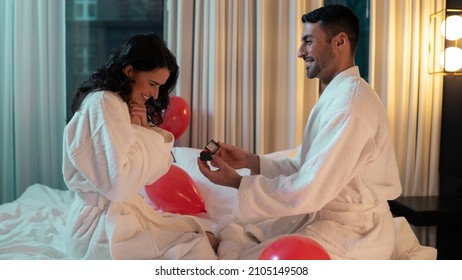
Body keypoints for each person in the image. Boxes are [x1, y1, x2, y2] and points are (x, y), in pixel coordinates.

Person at [197, 5, 402, 260]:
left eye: (308, 41)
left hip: (354, 233)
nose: (299, 52)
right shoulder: (339, 95)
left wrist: (237, 182)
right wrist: (251, 161)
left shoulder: (350, 105)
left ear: (339, 42)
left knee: (243, 257)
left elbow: (309, 189)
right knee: (244, 231)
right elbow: (307, 170)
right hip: (326, 216)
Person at [63, 33, 217, 259]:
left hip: (119, 216)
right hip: (100, 233)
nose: (155, 94)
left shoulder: (118, 103)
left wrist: (141, 130)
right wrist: (142, 134)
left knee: (201, 233)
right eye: (153, 84)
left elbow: (147, 177)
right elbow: (118, 185)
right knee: (197, 246)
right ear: (129, 71)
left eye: (159, 87)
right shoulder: (104, 103)